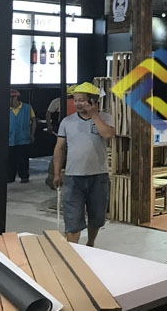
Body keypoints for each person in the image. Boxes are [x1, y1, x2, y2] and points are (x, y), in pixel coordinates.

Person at [53, 83, 115, 246]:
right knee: (72, 219)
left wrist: (95, 115)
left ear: (93, 101)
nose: (77, 103)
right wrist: (57, 173)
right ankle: (73, 252)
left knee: (97, 216)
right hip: (73, 177)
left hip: (98, 177)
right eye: (75, 100)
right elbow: (59, 148)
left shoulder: (105, 118)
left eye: (82, 100)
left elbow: (108, 135)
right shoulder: (67, 122)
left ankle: (90, 244)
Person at [8, 89, 36, 183]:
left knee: (23, 159)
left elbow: (33, 120)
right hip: (10, 139)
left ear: (15, 97)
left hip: (23, 138)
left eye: (9, 98)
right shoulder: (5, 109)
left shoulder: (27, 108)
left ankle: (24, 176)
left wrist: (32, 134)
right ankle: (10, 177)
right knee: (10, 160)